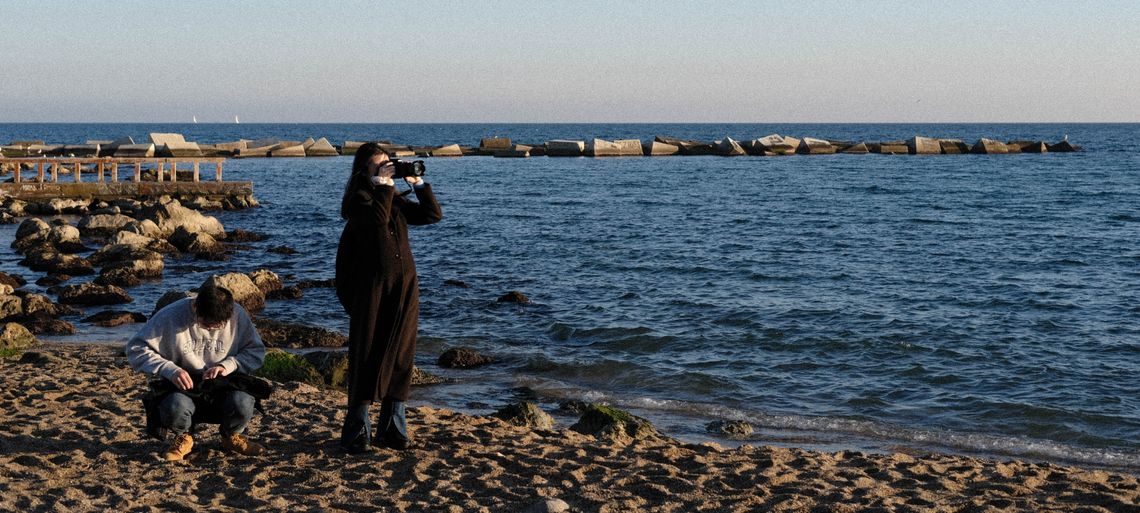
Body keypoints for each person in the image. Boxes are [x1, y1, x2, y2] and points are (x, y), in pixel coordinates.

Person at [336, 142, 442, 453]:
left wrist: (417, 183)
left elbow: (432, 215)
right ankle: (357, 432)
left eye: (388, 164)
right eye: (379, 165)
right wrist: (384, 186)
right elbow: (377, 220)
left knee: (401, 356)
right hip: (372, 290)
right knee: (366, 355)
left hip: (404, 288)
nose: (387, 169)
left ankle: (393, 430)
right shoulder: (360, 202)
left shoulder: (392, 199)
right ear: (364, 170)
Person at [126, 279, 267, 461]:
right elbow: (136, 349)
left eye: (218, 326)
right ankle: (183, 437)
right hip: (183, 387)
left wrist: (227, 365)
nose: (211, 329)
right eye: (206, 325)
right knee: (174, 406)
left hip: (223, 384)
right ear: (195, 307)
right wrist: (170, 370)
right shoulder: (170, 315)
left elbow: (256, 352)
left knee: (244, 401)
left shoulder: (237, 315)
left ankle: (231, 436)